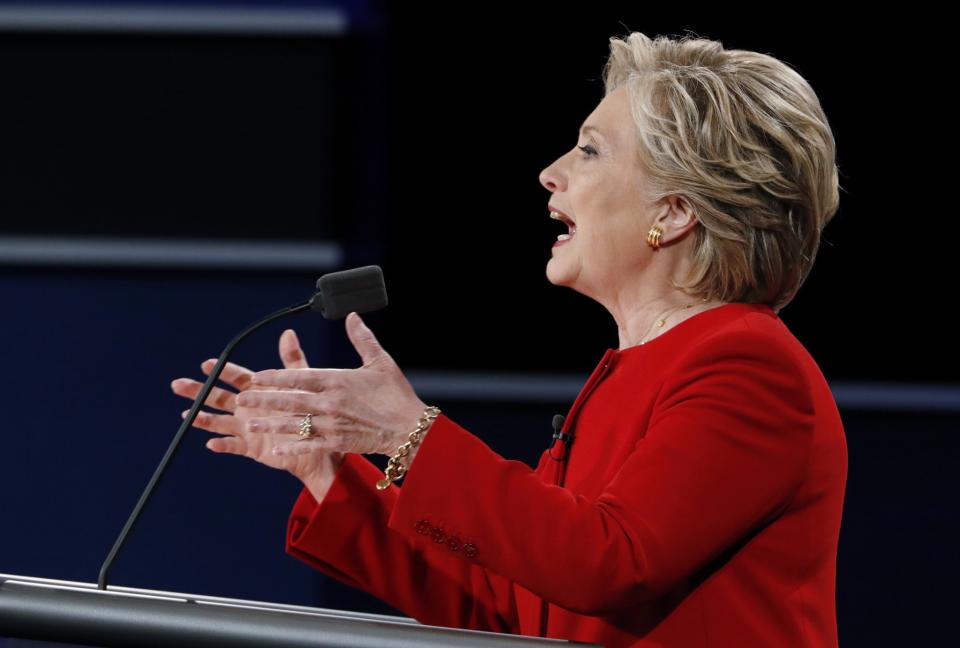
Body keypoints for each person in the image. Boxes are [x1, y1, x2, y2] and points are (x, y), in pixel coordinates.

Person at [171, 31, 846, 648]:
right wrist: (330, 475)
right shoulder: (638, 373)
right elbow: (512, 605)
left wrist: (409, 432)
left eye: (589, 150)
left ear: (672, 213)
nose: (551, 171)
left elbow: (609, 563)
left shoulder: (748, 365)